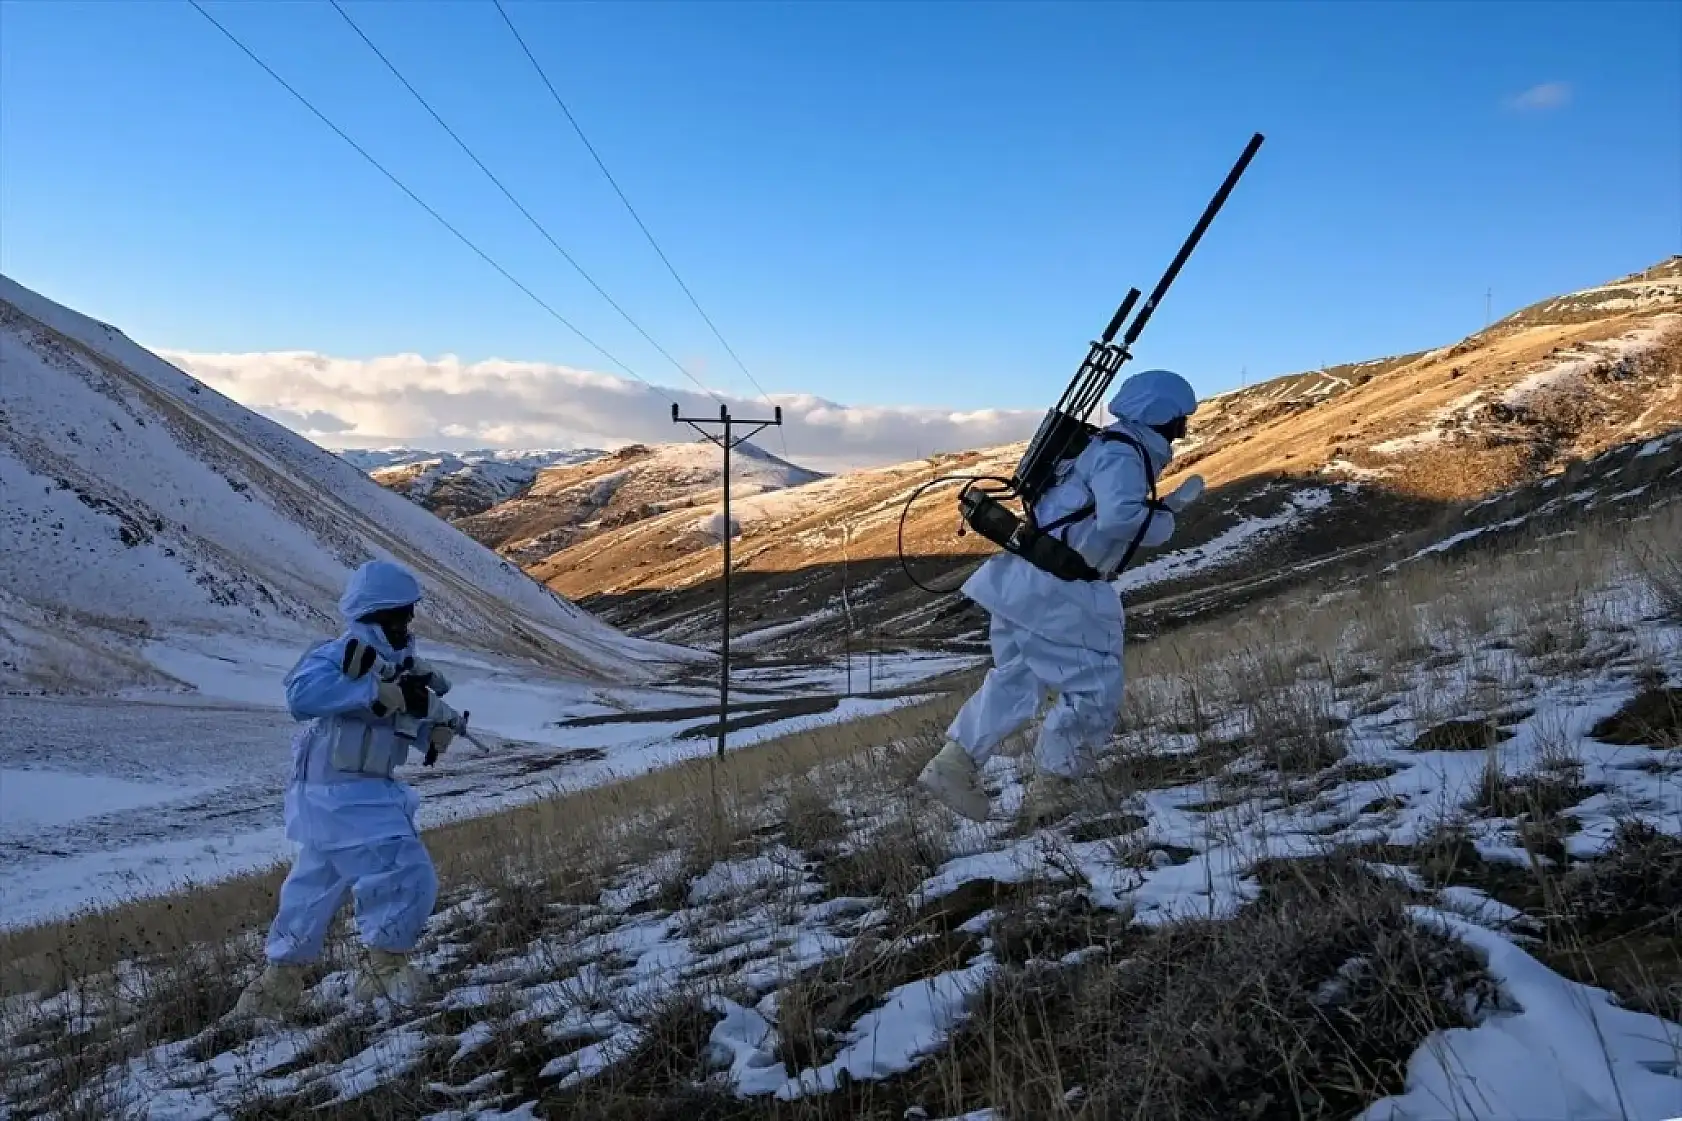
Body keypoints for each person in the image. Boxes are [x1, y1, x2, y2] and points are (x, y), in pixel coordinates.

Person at [917, 369, 1205, 825]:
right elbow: (1117, 520)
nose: (1182, 430)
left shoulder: (1101, 449)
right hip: (1057, 591)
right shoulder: (1123, 455)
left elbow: (1090, 515)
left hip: (1023, 580)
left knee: (1017, 680)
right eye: (1179, 420)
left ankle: (953, 766)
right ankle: (1054, 792)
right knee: (1094, 688)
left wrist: (1164, 506)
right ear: (1160, 415)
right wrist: (1167, 518)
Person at [234, 559, 457, 1019]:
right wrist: (371, 694)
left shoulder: (400, 666)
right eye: (398, 615)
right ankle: (384, 973)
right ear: (376, 615)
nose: (406, 624)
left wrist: (426, 731)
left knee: (314, 886)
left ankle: (275, 987)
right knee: (406, 870)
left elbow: (391, 721)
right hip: (341, 795)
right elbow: (302, 697)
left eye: (408, 614)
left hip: (350, 793)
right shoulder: (338, 654)